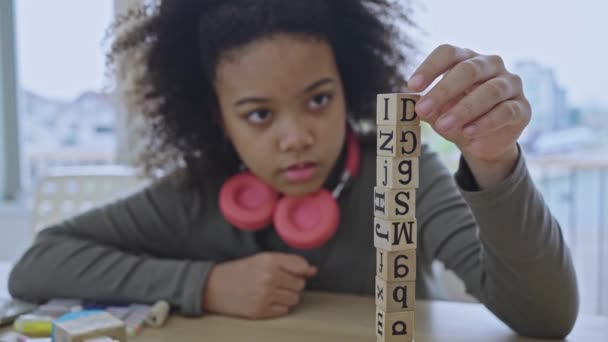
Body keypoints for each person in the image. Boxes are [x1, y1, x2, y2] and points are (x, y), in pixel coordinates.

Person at [9, 0, 578, 338]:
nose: (296, 136)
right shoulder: (194, 194)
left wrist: (495, 161)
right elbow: (37, 265)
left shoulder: (399, 166)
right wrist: (203, 284)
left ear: (348, 86)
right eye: (258, 114)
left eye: (318, 99)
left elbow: (547, 317)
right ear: (218, 119)